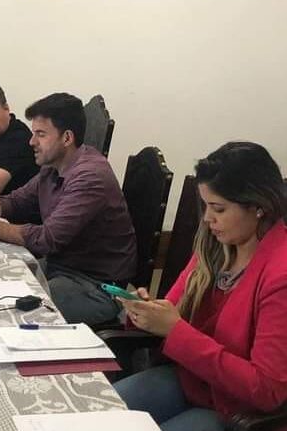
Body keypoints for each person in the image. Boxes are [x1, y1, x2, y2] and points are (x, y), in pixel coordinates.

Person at [114, 142, 287, 431]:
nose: (207, 218)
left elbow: (267, 390)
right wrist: (146, 312)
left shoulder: (280, 275)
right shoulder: (216, 246)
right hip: (193, 378)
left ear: (259, 207)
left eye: (218, 208)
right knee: (102, 410)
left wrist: (175, 330)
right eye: (206, 205)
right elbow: (173, 311)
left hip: (238, 407)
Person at [0, 93, 137, 325]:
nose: (31, 142)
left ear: (67, 137)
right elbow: (15, 201)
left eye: (40, 134)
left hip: (94, 287)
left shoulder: (90, 176)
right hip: (60, 268)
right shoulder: (54, 165)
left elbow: (46, 239)